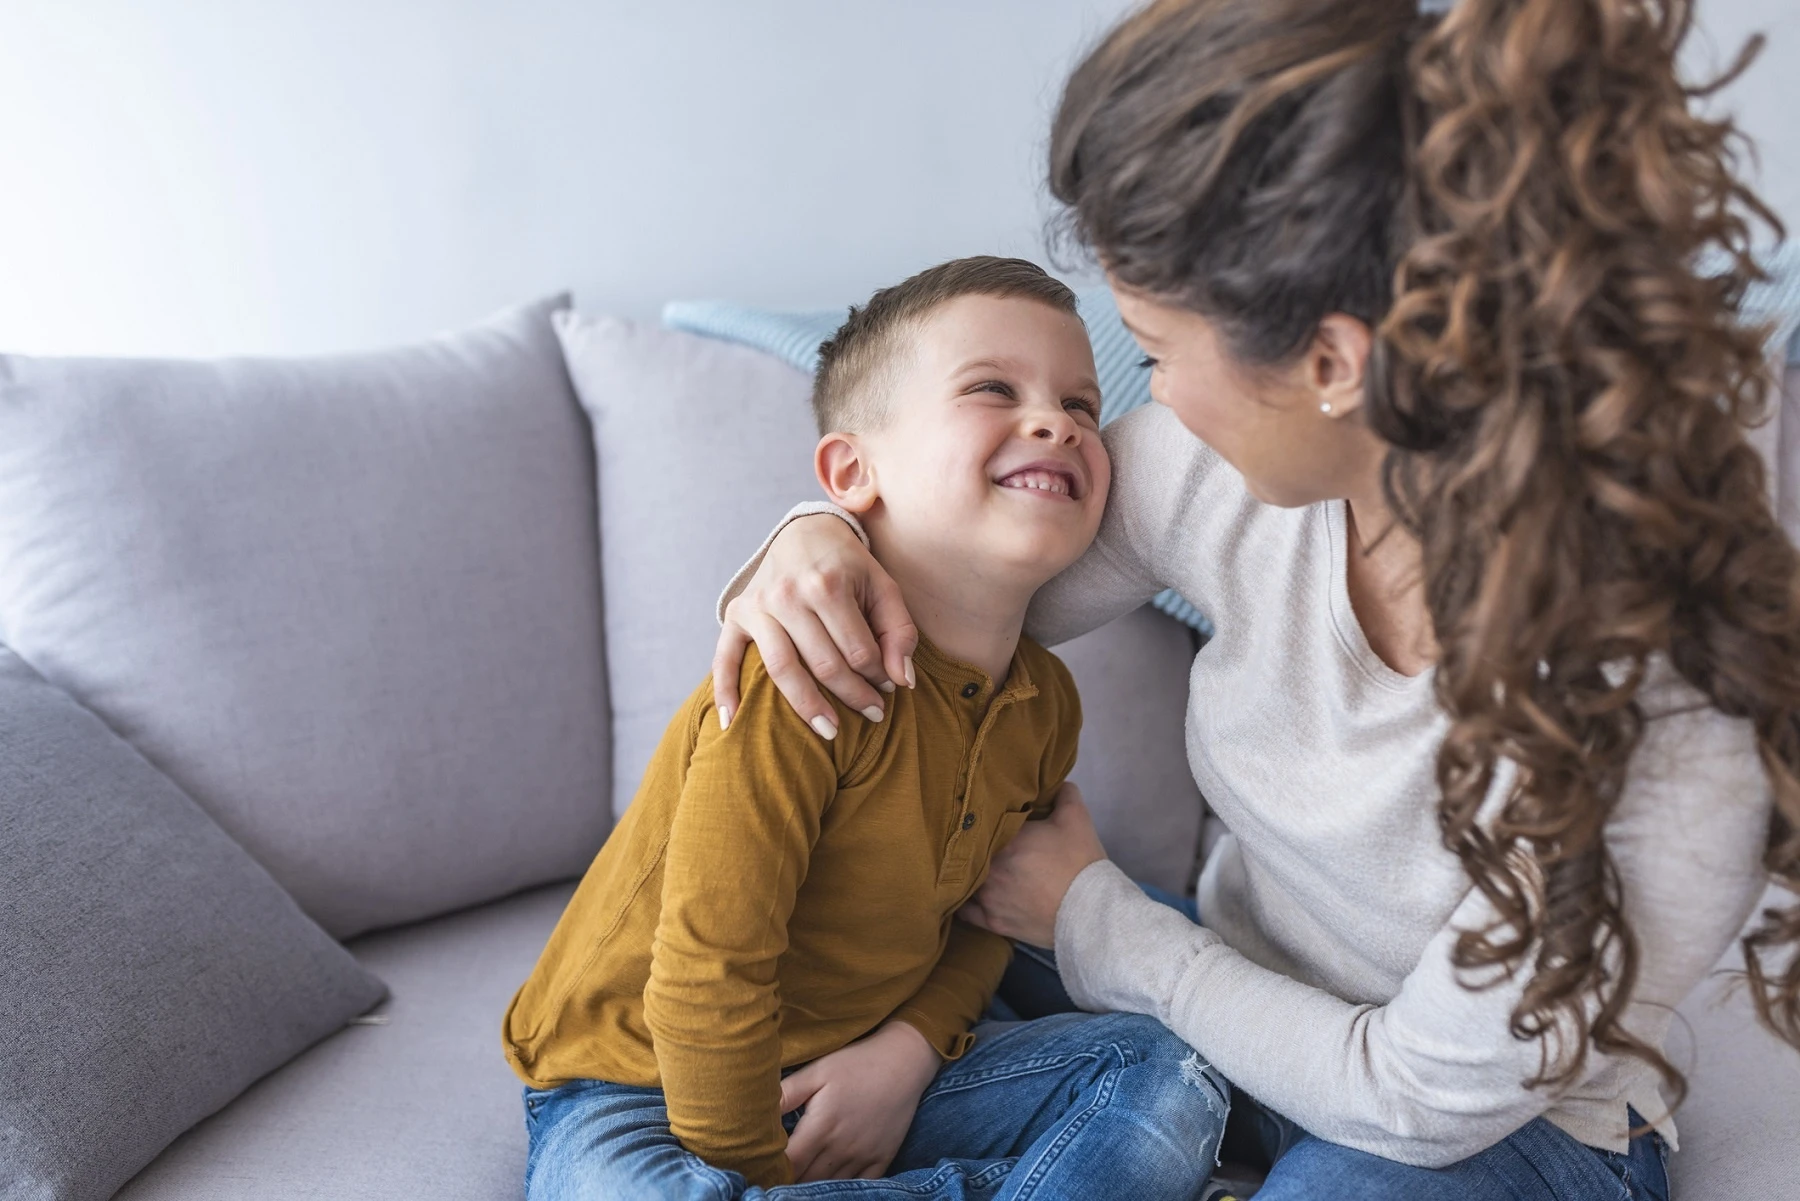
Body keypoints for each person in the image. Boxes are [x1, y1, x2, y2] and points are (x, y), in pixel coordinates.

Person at [711, 3, 1800, 1199]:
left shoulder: (1667, 721)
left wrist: (1100, 924)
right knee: (834, 953)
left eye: (1156, 349)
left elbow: (1413, 1095)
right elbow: (957, 596)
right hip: (1223, 975)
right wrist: (818, 536)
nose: (1146, 399)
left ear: (1332, 364)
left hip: (1482, 1128)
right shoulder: (1212, 471)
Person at [502, 256, 1231, 1201]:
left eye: (1084, 406)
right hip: (636, 1085)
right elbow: (706, 977)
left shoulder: (1044, 701)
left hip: (865, 1065)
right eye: (992, 389)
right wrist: (766, 1179)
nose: (1056, 421)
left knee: (1168, 1074)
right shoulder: (799, 674)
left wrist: (909, 1051)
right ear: (854, 471)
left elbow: (990, 915)